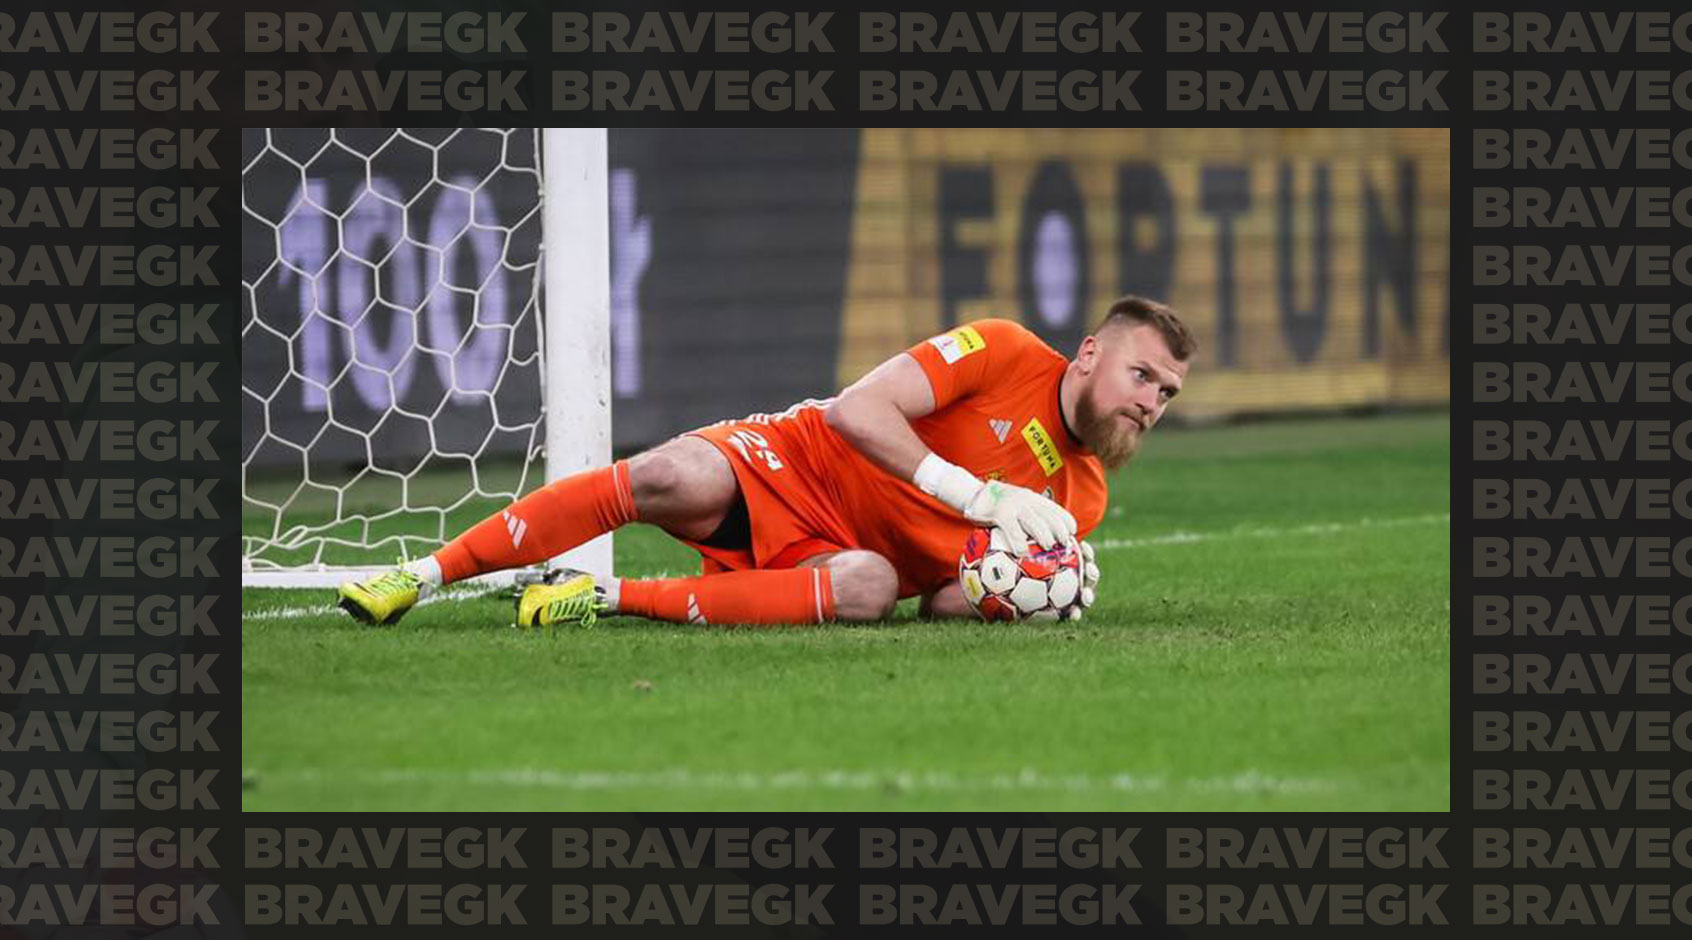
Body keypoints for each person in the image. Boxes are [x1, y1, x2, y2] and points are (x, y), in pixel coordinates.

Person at [336, 295, 1195, 628]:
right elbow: (860, 410)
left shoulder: (1080, 502)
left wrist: (1025, 594)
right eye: (1142, 374)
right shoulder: (1006, 352)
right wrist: (977, 496)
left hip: (846, 558)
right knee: (667, 476)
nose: (1150, 402)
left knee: (863, 594)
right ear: (1089, 354)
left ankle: (600, 597)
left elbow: (943, 602)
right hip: (800, 461)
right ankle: (421, 573)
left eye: (1166, 394)